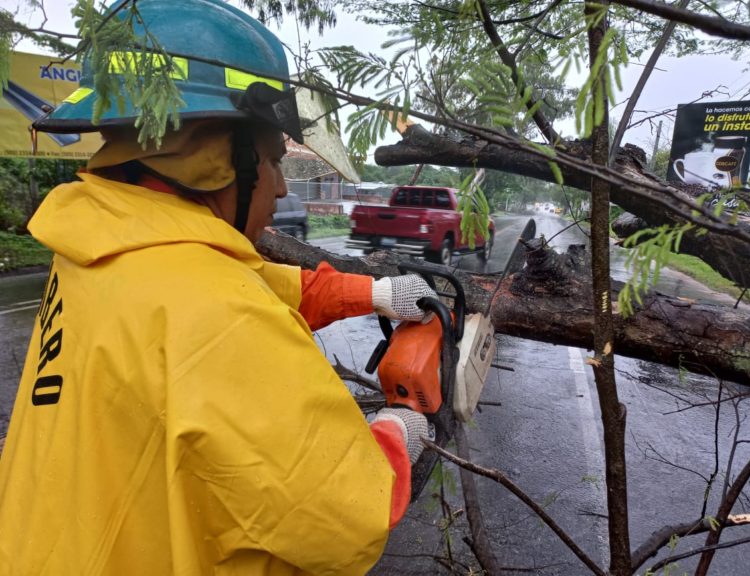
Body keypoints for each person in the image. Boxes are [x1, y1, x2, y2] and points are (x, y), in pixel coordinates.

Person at [0, 1, 437, 574]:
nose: (281, 188)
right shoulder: (214, 310)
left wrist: (375, 295)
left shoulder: (102, 250)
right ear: (215, 156)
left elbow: (256, 287)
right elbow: (341, 516)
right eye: (274, 160)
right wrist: (395, 434)